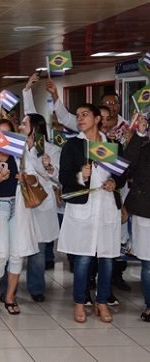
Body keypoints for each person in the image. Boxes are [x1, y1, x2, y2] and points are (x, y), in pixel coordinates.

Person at [57, 104, 126, 323]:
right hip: (83, 208)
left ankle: (102, 302)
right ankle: (79, 302)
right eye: (77, 116)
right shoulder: (73, 145)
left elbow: (123, 175)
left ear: (98, 119)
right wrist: (81, 175)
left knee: (107, 259)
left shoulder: (113, 145)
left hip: (106, 208)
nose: (80, 119)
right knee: (83, 259)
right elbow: (64, 177)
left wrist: (114, 181)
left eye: (85, 114)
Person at [0, 119, 39, 315]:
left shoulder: (21, 155)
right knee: (0, 255)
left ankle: (10, 297)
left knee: (16, 254)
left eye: (8, 133)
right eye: (0, 133)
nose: (4, 137)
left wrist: (25, 177)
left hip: (18, 208)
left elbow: (34, 180)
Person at [18, 90, 61, 302]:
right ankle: (8, 286)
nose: (20, 127)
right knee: (15, 247)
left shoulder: (50, 150)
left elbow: (58, 177)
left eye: (24, 124)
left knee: (38, 251)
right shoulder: (16, 147)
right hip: (19, 203)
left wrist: (48, 166)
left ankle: (36, 288)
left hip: (41, 205)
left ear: (34, 128)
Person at [123, 112, 150, 321]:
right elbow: (127, 165)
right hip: (144, 209)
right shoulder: (142, 144)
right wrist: (139, 134)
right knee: (148, 263)